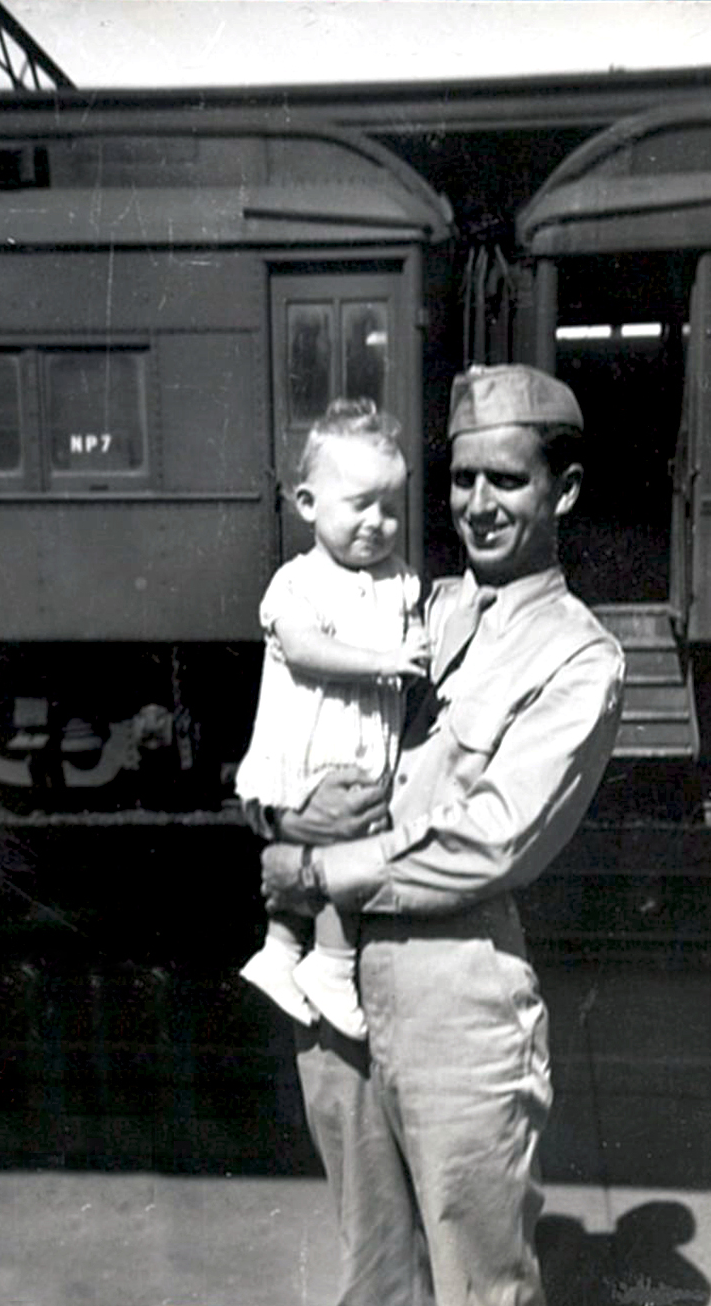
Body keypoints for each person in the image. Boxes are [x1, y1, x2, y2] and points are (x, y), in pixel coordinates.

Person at [257, 363, 626, 1306]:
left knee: (478, 1286)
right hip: (338, 1000)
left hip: (454, 1003)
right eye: (463, 479)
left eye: (506, 480)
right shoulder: (414, 606)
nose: (478, 504)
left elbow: (494, 838)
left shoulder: (578, 657)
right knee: (374, 1279)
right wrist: (275, 816)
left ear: (562, 492)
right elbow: (300, 721)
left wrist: (318, 871)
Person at [236, 398, 429, 1041]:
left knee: (332, 850)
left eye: (391, 507)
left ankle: (280, 954)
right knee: (344, 847)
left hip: (364, 748)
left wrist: (415, 643)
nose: (378, 522)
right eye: (360, 505)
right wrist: (385, 661)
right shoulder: (297, 583)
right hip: (313, 751)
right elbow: (303, 649)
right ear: (308, 504)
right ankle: (331, 965)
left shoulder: (399, 580)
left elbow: (413, 634)